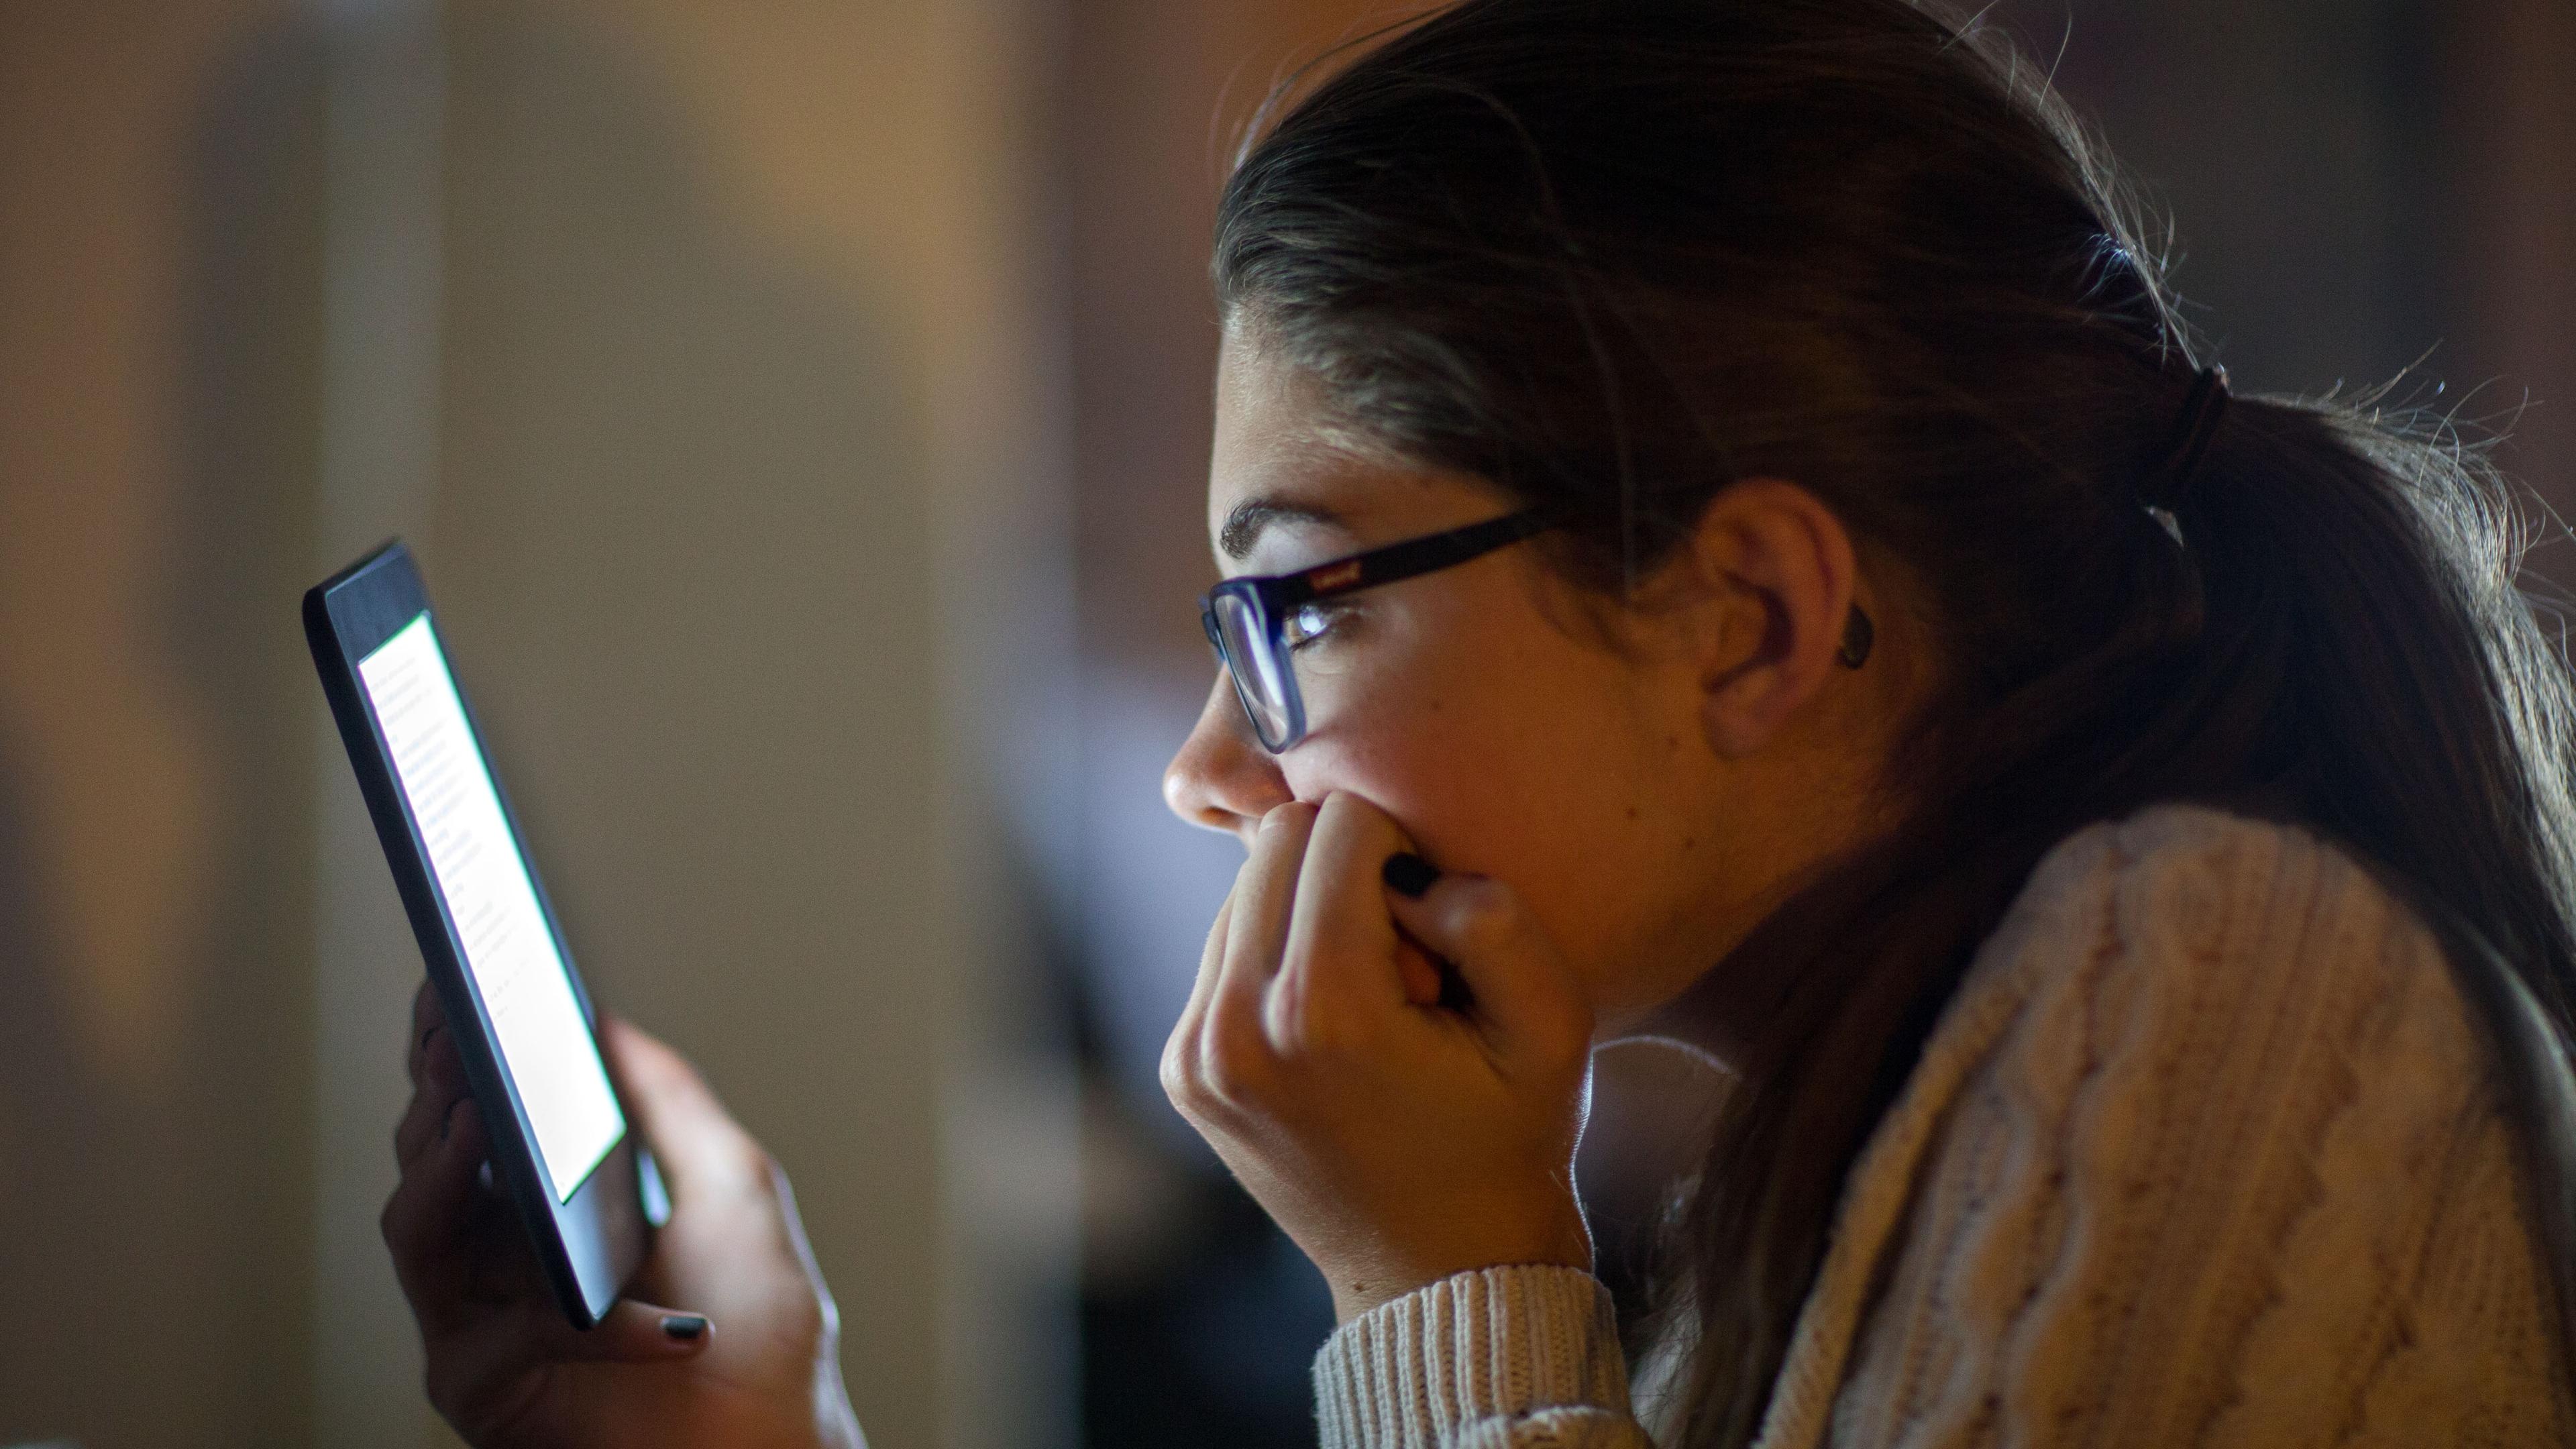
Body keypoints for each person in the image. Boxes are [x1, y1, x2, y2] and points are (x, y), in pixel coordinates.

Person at [382, 0, 2576, 1444]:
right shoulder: (1847, 1148)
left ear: (1750, 619)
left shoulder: (2195, 974)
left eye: (1298, 608)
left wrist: (1440, 1275)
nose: (1215, 773)